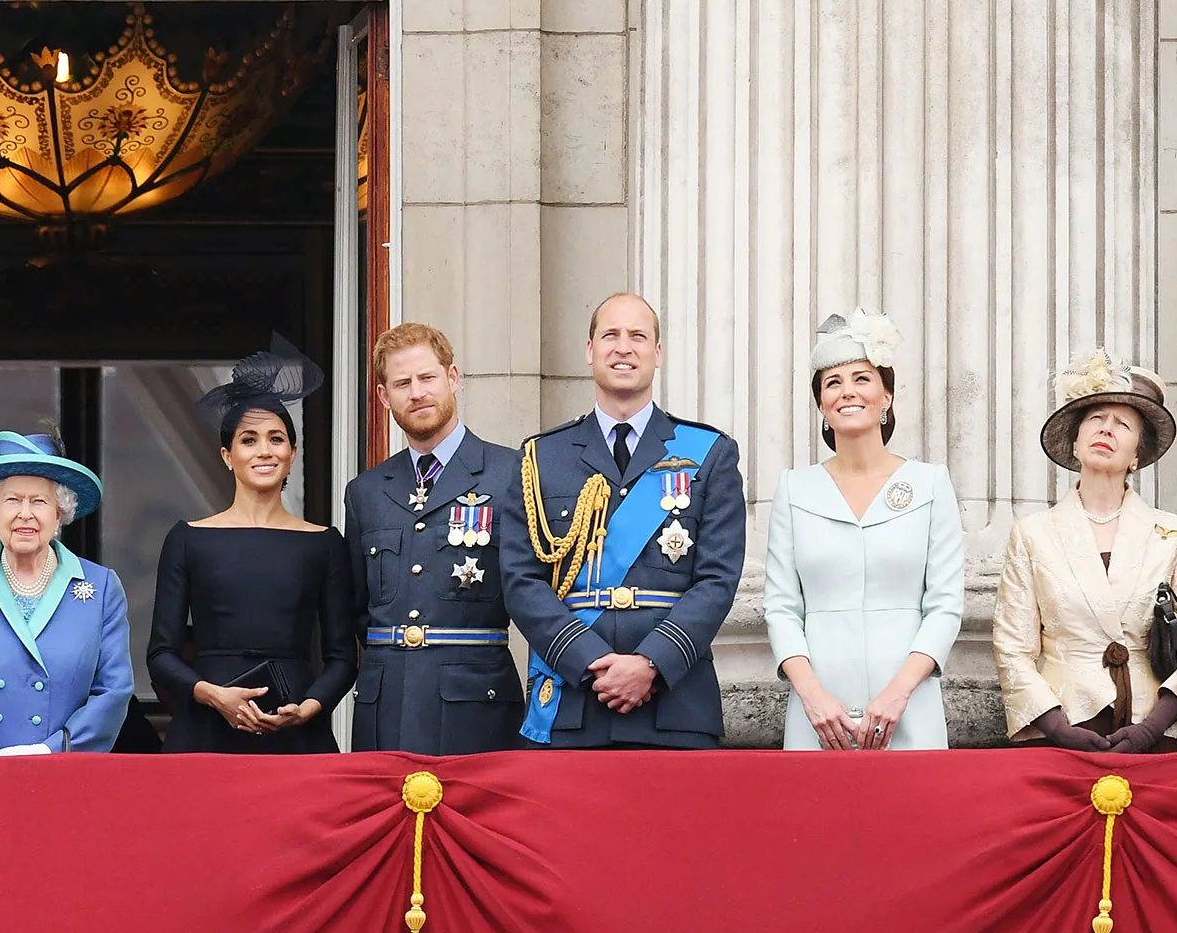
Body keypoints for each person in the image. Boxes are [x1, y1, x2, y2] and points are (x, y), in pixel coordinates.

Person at [501, 292, 746, 748]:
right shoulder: (540, 458)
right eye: (610, 334)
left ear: (657, 353)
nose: (623, 346)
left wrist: (651, 663)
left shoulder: (708, 453)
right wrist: (591, 661)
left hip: (675, 705)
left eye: (638, 336)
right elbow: (521, 581)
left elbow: (717, 579)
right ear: (589, 350)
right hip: (574, 701)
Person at [994, 353, 1177, 752]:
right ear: (1076, 444)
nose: (1107, 429)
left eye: (1123, 424)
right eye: (1096, 419)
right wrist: (1059, 730)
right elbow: (1012, 647)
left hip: (1154, 729)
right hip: (1061, 728)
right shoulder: (1032, 534)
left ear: (1136, 456)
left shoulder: (1176, 535)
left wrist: (1152, 728)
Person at [763, 312, 966, 750]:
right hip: (819, 715)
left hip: (909, 706)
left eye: (862, 378)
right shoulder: (794, 488)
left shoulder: (930, 484)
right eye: (832, 382)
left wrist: (898, 694)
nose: (847, 391)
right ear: (821, 404)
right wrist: (814, 698)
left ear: (886, 395)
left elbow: (945, 605)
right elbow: (781, 607)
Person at [148, 337, 355, 754]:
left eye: (276, 439)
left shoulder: (325, 543)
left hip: (295, 730)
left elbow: (343, 658)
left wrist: (309, 708)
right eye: (249, 440)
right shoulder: (188, 538)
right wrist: (212, 695)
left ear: (293, 453)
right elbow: (161, 656)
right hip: (206, 729)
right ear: (227, 455)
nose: (264, 450)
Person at [344, 323, 522, 754]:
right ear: (385, 397)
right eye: (402, 383)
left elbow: (537, 595)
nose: (417, 392)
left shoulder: (511, 473)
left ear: (453, 378)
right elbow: (355, 609)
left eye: (427, 378)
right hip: (385, 706)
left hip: (477, 706)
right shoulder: (366, 491)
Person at [0, 432, 132, 754]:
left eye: (39, 501)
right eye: (12, 500)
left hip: (63, 772)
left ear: (60, 514)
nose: (25, 513)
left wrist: (49, 751)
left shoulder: (100, 587)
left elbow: (114, 691)